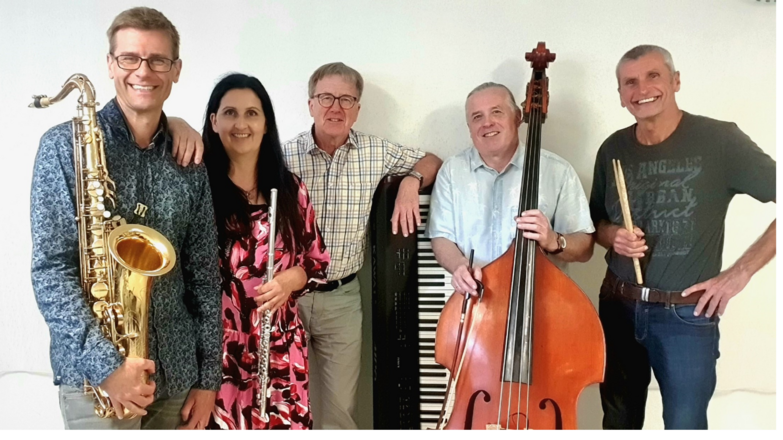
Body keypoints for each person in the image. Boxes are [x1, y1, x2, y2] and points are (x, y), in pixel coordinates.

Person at [30, 7, 221, 430]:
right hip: (97, 384)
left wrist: (209, 378)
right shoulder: (62, 148)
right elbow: (51, 271)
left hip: (177, 380)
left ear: (176, 70)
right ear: (111, 64)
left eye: (158, 60)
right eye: (130, 58)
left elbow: (206, 278)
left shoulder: (190, 160)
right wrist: (107, 366)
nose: (143, 71)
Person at [589, 44, 776, 430]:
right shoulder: (613, 148)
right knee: (618, 423)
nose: (642, 89)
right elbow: (596, 223)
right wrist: (613, 236)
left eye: (653, 76)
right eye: (630, 82)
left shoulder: (720, 140)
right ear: (621, 95)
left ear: (675, 81)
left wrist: (739, 273)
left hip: (686, 314)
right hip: (618, 305)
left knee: (684, 426)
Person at [282, 62, 442, 429]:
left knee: (340, 411)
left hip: (342, 299)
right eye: (326, 98)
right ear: (310, 104)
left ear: (357, 108)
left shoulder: (375, 151)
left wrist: (411, 181)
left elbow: (432, 160)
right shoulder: (282, 156)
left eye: (346, 99)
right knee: (285, 402)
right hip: (290, 297)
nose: (335, 108)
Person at [201, 73, 329, 430]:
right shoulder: (199, 188)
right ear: (214, 121)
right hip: (218, 354)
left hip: (281, 350)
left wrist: (291, 279)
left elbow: (317, 262)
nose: (241, 124)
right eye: (230, 113)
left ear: (266, 123)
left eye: (252, 113)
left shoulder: (290, 190)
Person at [426, 82, 594, 296]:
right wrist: (459, 265)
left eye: (496, 112)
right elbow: (441, 237)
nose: (487, 123)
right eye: (477, 117)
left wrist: (553, 240)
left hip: (541, 300)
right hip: (476, 300)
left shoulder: (558, 171)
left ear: (518, 117)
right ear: (469, 128)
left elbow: (585, 248)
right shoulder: (452, 170)